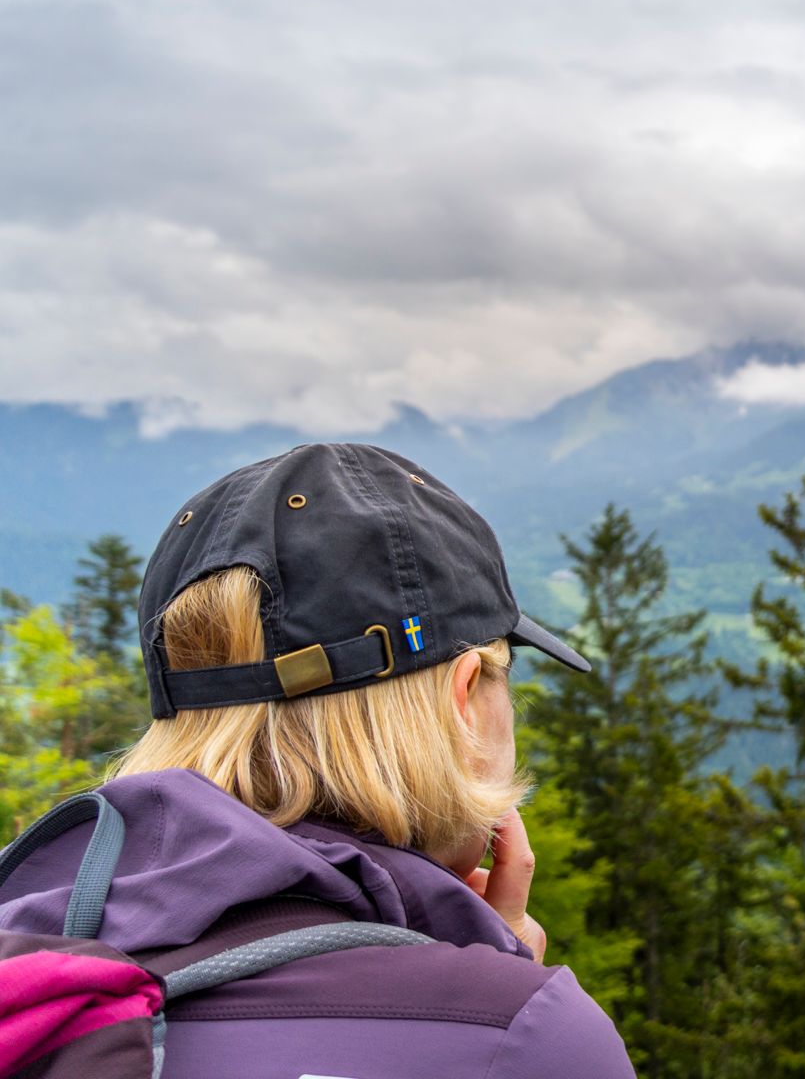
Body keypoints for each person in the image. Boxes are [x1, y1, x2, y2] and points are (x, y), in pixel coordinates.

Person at [0, 443, 636, 1077]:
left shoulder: (32, 968)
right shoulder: (523, 1036)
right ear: (464, 697)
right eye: (506, 676)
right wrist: (498, 993)